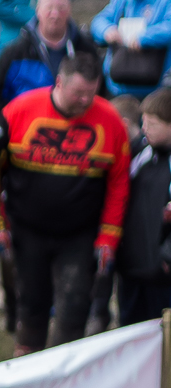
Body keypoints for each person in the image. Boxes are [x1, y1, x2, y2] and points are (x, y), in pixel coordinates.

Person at [0, 52, 130, 355]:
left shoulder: (110, 121)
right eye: (78, 93)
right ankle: (28, 363)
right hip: (27, 229)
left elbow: (119, 183)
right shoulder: (20, 110)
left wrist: (109, 236)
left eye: (91, 93)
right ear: (59, 82)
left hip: (79, 234)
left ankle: (63, 368)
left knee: (75, 304)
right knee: (31, 302)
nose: (85, 101)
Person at [0, 0, 95, 332]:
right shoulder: (16, 50)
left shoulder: (85, 50)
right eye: (49, 6)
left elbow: (97, 98)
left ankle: (18, 310)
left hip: (67, 156)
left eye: (61, 6)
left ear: (70, 10)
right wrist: (8, 130)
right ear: (37, 10)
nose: (55, 13)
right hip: (18, 153)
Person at [103, 87, 171, 324]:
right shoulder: (139, 154)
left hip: (162, 271)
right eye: (143, 122)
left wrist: (167, 256)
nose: (144, 129)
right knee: (129, 322)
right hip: (131, 265)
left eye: (153, 124)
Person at [86, 93, 144, 333]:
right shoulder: (107, 151)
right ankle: (98, 318)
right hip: (106, 231)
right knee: (101, 280)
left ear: (124, 124)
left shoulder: (144, 156)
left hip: (132, 238)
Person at [91, 0, 171, 98]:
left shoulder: (165, 3)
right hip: (118, 88)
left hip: (155, 90)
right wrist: (106, 30)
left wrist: (144, 37)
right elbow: (98, 21)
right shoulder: (121, 2)